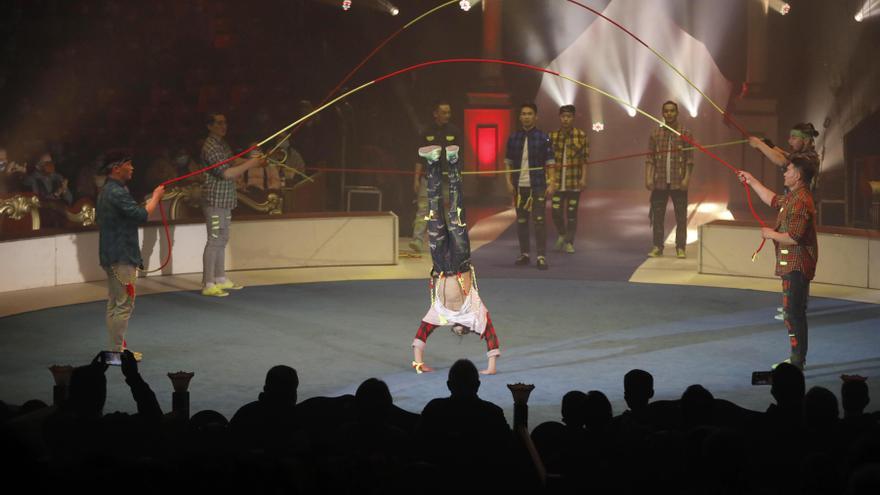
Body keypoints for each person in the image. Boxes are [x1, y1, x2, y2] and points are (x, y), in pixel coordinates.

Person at [411, 118, 500, 375]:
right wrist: (490, 367)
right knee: (456, 211)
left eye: (459, 331)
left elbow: (421, 336)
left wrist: (418, 363)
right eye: (466, 332)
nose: (461, 331)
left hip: (439, 260)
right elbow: (491, 337)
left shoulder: (439, 316)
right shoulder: (474, 313)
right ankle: (452, 161)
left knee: (434, 209)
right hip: (460, 259)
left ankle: (432, 162)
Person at [738, 155, 818, 370]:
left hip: (797, 264)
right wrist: (752, 180)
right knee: (793, 313)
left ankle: (796, 361)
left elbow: (794, 237)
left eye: (788, 169)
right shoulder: (794, 196)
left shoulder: (801, 201)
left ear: (798, 175)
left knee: (794, 314)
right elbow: (772, 199)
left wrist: (770, 234)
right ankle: (796, 360)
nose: (784, 173)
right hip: (791, 263)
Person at [95, 151, 165, 356]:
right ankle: (117, 352)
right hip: (121, 255)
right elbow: (141, 215)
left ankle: (116, 349)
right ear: (117, 168)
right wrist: (156, 198)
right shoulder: (116, 192)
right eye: (129, 164)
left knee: (115, 303)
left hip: (110, 253)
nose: (132, 168)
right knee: (124, 304)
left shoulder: (107, 190)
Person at [200, 112, 266, 297]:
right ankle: (208, 282)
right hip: (214, 200)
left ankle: (220, 277)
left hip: (225, 199)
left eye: (225, 122)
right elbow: (226, 173)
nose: (224, 126)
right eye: (219, 123)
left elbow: (233, 161)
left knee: (222, 238)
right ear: (209, 126)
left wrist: (253, 161)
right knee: (214, 240)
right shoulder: (210, 146)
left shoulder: (222, 143)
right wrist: (251, 163)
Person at [505, 102, 557, 270]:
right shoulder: (513, 138)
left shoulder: (544, 137)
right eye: (523, 113)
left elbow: (550, 161)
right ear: (520, 117)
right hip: (520, 186)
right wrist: (508, 181)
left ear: (536, 117)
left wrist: (552, 181)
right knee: (521, 221)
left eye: (529, 114)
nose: (526, 116)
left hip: (538, 185)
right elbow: (508, 163)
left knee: (539, 221)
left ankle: (541, 256)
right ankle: (525, 254)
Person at [645, 101, 693, 258]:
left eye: (672, 111)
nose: (669, 114)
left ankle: (681, 247)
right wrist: (648, 177)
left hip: (678, 182)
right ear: (662, 113)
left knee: (681, 216)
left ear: (677, 113)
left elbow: (690, 160)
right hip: (660, 181)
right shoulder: (655, 134)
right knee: (658, 216)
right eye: (666, 111)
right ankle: (657, 246)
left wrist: (686, 179)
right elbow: (650, 158)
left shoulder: (685, 133)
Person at [410, 100, 458, 253]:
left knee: (448, 212)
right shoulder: (426, 132)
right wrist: (416, 179)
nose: (447, 115)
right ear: (435, 114)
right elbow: (419, 158)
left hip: (446, 179)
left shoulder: (454, 131)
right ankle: (417, 240)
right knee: (423, 210)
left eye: (448, 112)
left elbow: (458, 157)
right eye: (443, 112)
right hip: (428, 178)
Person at [548, 104, 589, 254]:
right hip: (557, 181)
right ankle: (562, 233)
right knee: (555, 211)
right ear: (560, 117)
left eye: (569, 116)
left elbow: (585, 160)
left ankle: (569, 242)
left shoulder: (581, 135)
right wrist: (550, 180)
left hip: (574, 181)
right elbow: (548, 161)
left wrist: (584, 178)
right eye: (563, 116)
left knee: (572, 214)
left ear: (573, 118)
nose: (566, 119)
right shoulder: (552, 136)